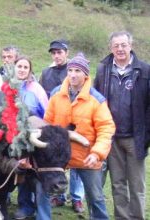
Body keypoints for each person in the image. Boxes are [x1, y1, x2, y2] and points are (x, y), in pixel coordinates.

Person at [44, 52, 115, 220]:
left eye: (77, 71)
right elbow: (47, 122)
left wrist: (96, 153)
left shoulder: (96, 99)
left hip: (87, 156)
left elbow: (106, 128)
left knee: (95, 197)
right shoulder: (56, 94)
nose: (73, 75)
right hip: (61, 155)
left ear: (86, 74)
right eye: (70, 70)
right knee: (45, 188)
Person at [94, 31, 150, 220]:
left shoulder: (144, 70)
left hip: (135, 137)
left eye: (123, 45)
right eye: (116, 45)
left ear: (131, 46)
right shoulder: (103, 69)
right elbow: (96, 100)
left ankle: (137, 217)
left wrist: (146, 135)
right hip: (112, 138)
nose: (120, 49)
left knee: (137, 185)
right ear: (111, 48)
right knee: (117, 183)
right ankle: (122, 218)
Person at [39, 39, 85, 213]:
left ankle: (77, 198)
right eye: (54, 53)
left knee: (75, 163)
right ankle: (58, 196)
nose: (56, 55)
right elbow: (43, 98)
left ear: (66, 52)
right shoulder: (46, 73)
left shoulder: (74, 71)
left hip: (75, 125)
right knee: (58, 162)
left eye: (59, 52)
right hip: (55, 125)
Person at [13, 56, 50, 220]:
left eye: (25, 67)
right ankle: (25, 206)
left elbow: (47, 114)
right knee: (21, 171)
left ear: (30, 70)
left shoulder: (36, 89)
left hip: (34, 137)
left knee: (35, 174)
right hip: (15, 137)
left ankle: (39, 208)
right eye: (19, 66)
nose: (21, 69)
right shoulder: (9, 87)